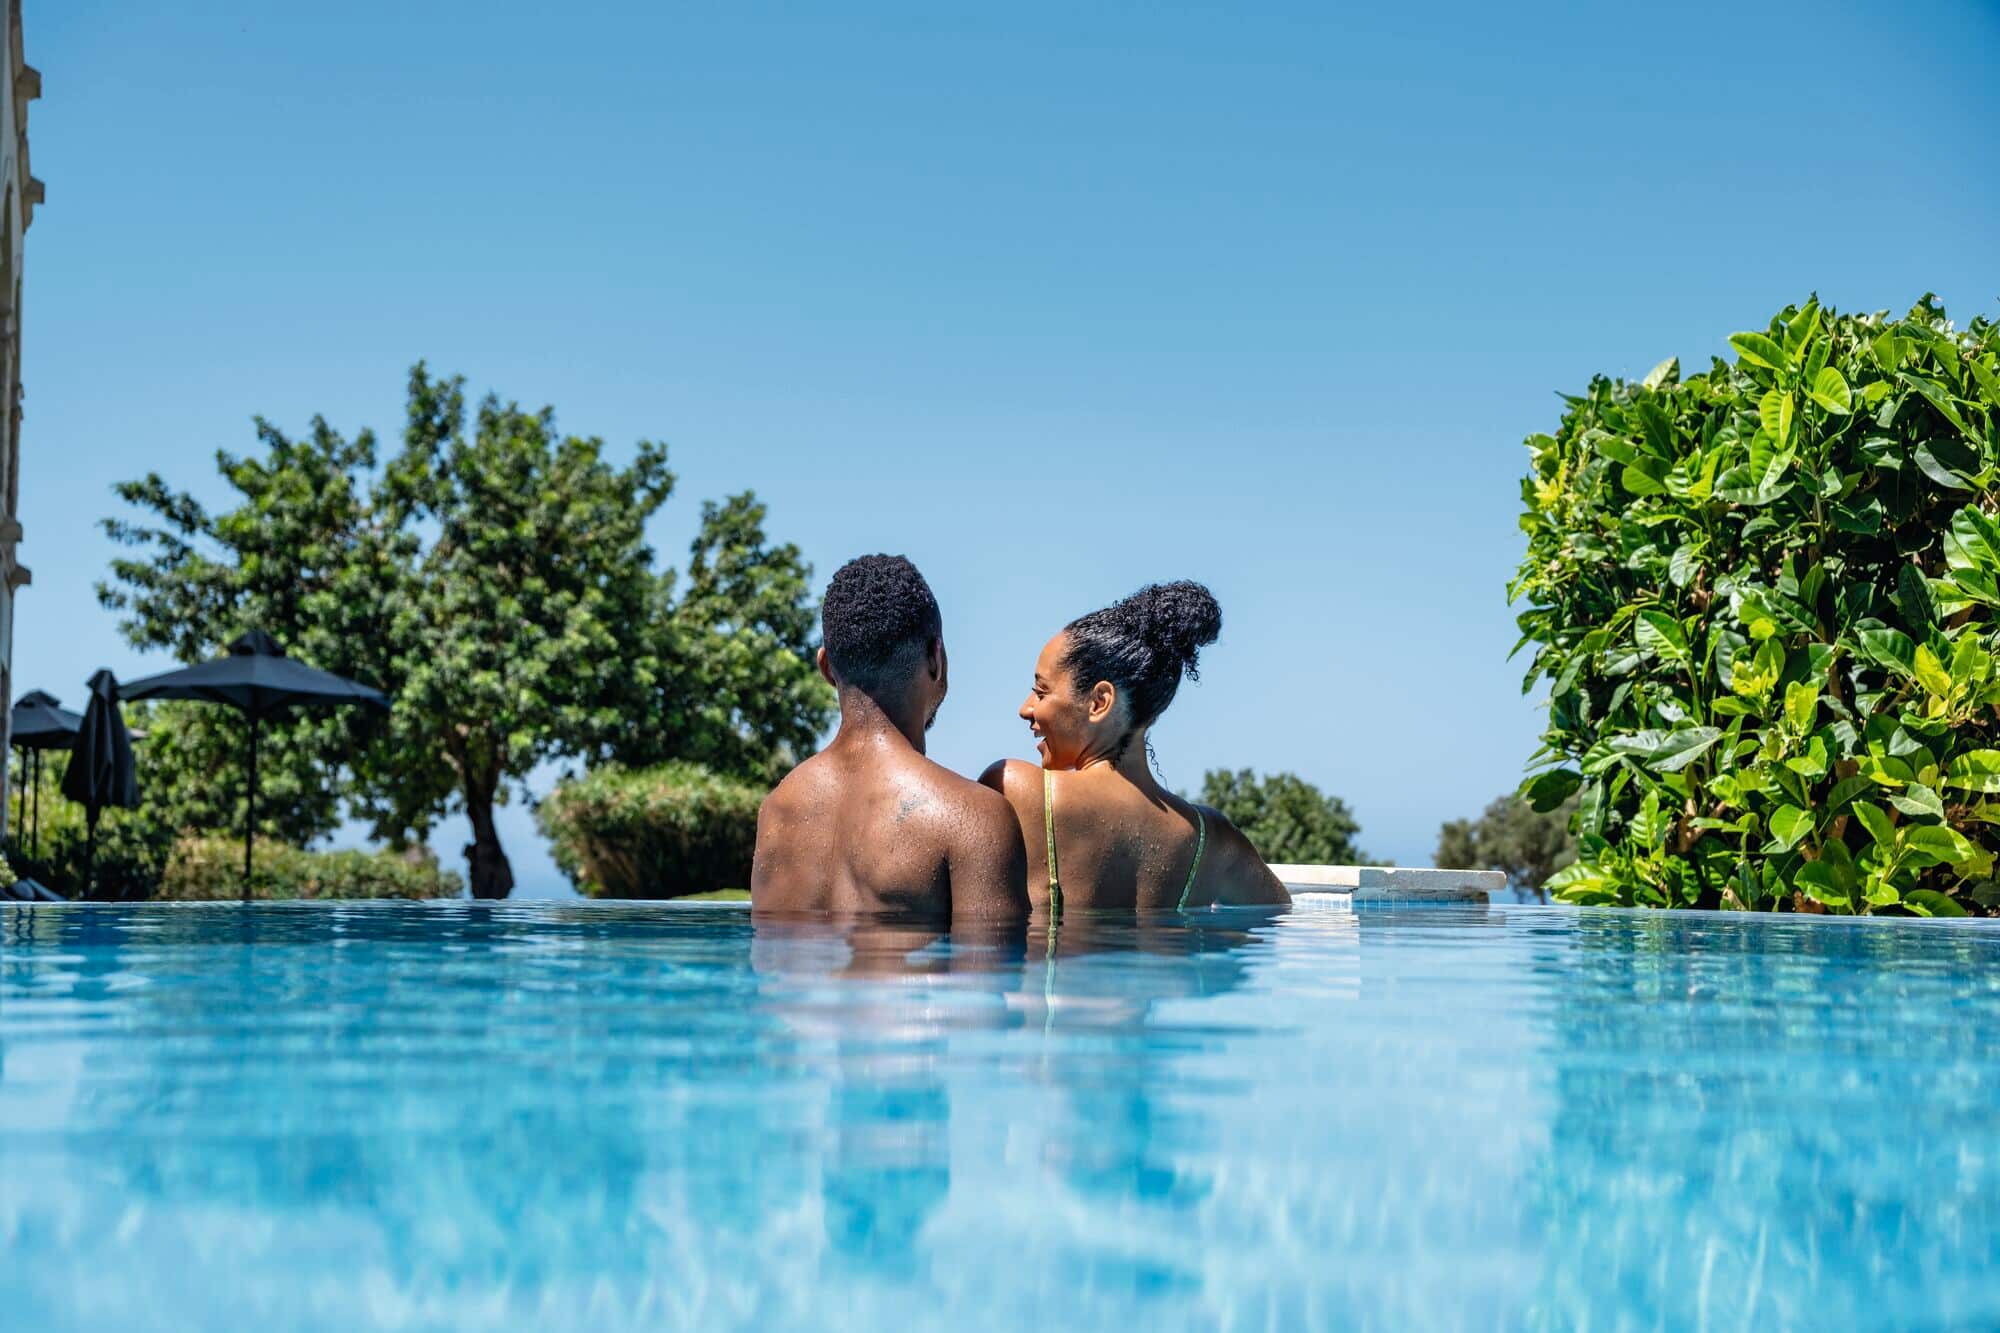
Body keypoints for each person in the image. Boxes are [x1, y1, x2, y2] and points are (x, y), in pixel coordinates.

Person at [981, 580, 1290, 912]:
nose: (1025, 708)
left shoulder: (1015, 789)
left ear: (1099, 702)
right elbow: (1280, 911)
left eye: (1041, 692)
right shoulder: (1212, 840)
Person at [752, 554, 1029, 919]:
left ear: (826, 667)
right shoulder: (973, 819)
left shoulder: (775, 813)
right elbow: (993, 957)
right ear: (937, 659)